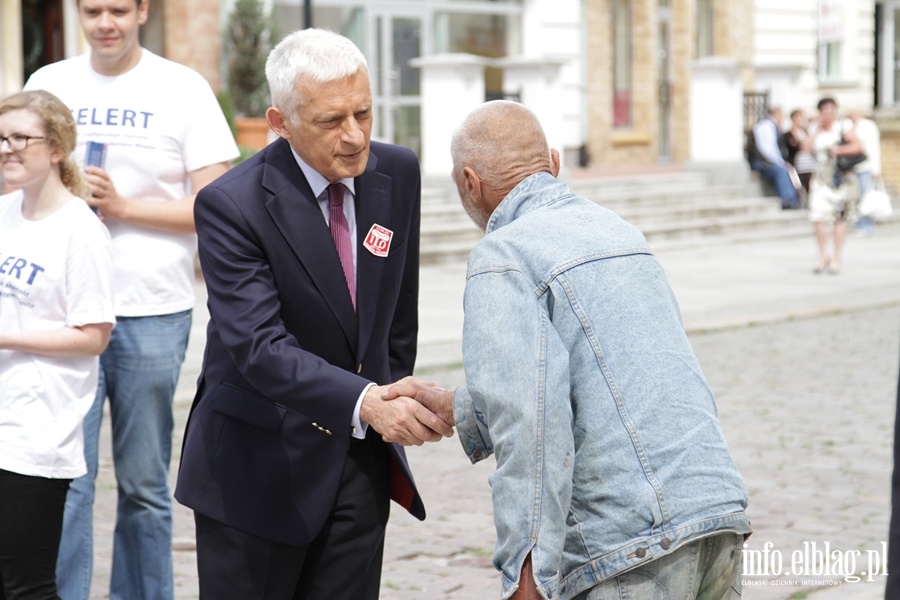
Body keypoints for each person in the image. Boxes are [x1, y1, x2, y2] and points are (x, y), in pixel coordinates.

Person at [386, 100, 752, 600]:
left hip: (629, 545)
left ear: (468, 183)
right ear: (553, 163)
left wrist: (525, 577)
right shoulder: (618, 231)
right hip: (715, 513)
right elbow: (603, 377)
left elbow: (531, 424)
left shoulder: (505, 254)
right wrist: (461, 407)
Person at [173, 28, 452, 599]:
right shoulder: (232, 204)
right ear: (279, 122)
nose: (354, 136)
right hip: (257, 468)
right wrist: (367, 402)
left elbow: (398, 314)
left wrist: (388, 397)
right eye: (330, 121)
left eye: (364, 113)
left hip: (358, 465)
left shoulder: (396, 173)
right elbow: (259, 348)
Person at [22, 1, 239, 598]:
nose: (105, 22)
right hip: (60, 316)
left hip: (150, 310)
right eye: (92, 10)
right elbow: (16, 182)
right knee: (66, 479)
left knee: (144, 484)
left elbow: (219, 207)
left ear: (144, 10)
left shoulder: (182, 88)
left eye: (119, 8)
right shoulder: (48, 84)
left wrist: (122, 208)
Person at [0, 90, 115, 599]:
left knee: (27, 585)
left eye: (21, 137)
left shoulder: (80, 230)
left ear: (56, 147)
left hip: (37, 429)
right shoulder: (4, 213)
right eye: (1, 138)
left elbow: (93, 336)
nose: (8, 148)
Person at [803, 97, 863, 275]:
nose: (827, 113)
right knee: (818, 217)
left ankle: (837, 257)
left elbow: (859, 146)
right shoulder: (815, 129)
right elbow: (805, 148)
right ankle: (823, 256)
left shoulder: (843, 127)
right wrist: (816, 129)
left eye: (831, 110)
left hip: (841, 180)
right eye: (824, 110)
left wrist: (838, 150)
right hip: (821, 180)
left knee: (839, 219)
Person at [750, 106, 798, 209]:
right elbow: (767, 149)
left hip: (769, 161)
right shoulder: (766, 127)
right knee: (781, 172)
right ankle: (788, 200)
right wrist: (780, 162)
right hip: (764, 163)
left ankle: (792, 199)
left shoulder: (772, 126)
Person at [846, 108, 883, 236]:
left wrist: (876, 169)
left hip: (866, 167)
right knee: (856, 198)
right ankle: (859, 224)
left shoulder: (868, 126)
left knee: (865, 197)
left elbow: (873, 148)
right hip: (852, 168)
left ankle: (866, 226)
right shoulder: (848, 125)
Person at [783, 109, 817, 204]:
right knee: (800, 187)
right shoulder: (788, 135)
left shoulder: (807, 132)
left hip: (809, 164)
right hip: (797, 166)